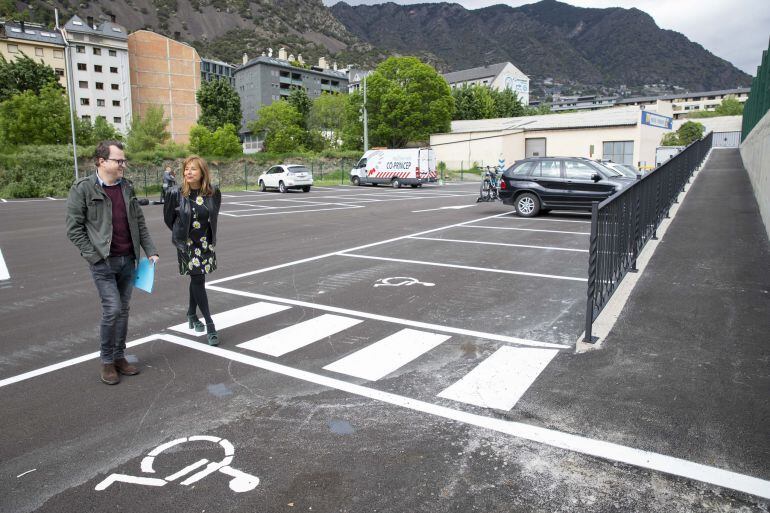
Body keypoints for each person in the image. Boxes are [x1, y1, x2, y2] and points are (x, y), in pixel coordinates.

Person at [65, 140, 159, 385]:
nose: (122, 164)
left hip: (129, 260)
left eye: (123, 160)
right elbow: (74, 229)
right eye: (118, 160)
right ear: (101, 161)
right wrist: (94, 257)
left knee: (124, 310)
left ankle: (119, 357)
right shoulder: (83, 188)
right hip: (103, 262)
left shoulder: (127, 187)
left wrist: (150, 250)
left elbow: (139, 222)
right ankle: (107, 361)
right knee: (113, 309)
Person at [164, 155, 222, 346]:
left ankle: (191, 314)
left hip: (205, 242)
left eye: (193, 169)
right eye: (186, 169)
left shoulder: (214, 193)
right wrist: (181, 235)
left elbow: (213, 217)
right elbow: (168, 219)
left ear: (202, 172)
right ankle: (210, 324)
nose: (188, 172)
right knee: (197, 279)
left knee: (197, 278)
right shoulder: (176, 193)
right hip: (187, 244)